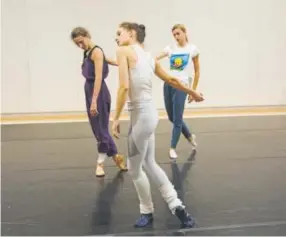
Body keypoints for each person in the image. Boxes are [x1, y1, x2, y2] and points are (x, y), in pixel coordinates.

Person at [111, 22, 204, 228]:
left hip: (140, 118)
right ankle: (178, 208)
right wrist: (193, 92)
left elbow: (124, 87)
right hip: (150, 116)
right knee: (149, 163)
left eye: (119, 33)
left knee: (135, 169)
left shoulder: (123, 50)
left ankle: (147, 211)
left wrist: (115, 117)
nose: (116, 38)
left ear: (131, 34)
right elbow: (171, 79)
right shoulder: (149, 56)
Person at [70, 26, 127, 177]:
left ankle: (100, 163)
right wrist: (121, 62)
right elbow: (111, 61)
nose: (80, 45)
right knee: (97, 129)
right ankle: (116, 157)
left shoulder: (96, 52)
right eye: (77, 44)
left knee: (101, 130)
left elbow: (98, 77)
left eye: (81, 41)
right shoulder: (88, 52)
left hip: (98, 91)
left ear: (87, 35)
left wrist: (94, 100)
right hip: (89, 91)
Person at [156, 24, 201, 159]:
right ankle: (189, 136)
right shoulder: (170, 48)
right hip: (169, 84)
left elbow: (197, 71)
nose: (176, 37)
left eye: (178, 33)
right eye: (174, 34)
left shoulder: (192, 49)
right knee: (171, 117)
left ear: (184, 32)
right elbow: (157, 57)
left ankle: (172, 147)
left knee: (177, 119)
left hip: (182, 86)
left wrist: (193, 90)